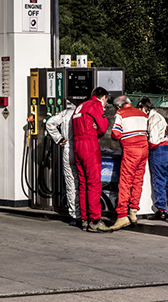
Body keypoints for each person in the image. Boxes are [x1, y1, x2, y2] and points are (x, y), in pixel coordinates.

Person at [72, 87, 111, 232]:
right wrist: (97, 128)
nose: (106, 104)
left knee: (83, 184)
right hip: (89, 145)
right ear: (103, 97)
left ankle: (84, 219)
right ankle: (95, 220)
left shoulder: (79, 107)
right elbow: (103, 126)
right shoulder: (95, 105)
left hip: (77, 146)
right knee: (94, 183)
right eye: (106, 100)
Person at [109, 95, 149, 231]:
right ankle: (133, 212)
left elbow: (116, 133)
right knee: (138, 181)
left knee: (125, 182)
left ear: (118, 106)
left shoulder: (120, 113)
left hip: (131, 149)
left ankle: (121, 216)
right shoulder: (142, 114)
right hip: (144, 149)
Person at [137, 97, 168, 220]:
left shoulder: (153, 119)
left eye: (140, 109)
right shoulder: (160, 116)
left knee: (158, 180)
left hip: (159, 151)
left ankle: (161, 209)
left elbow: (153, 142)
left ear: (145, 107)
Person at [45, 100, 81, 226]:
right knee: (84, 181)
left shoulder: (66, 113)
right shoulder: (85, 111)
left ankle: (76, 215)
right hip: (82, 147)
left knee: (71, 182)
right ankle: (87, 212)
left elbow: (49, 123)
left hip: (68, 148)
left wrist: (59, 138)